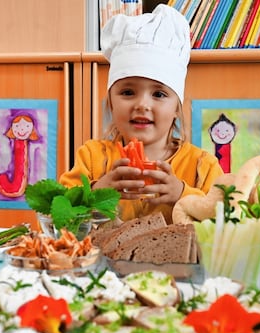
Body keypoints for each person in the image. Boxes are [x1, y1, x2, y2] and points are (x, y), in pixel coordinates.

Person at [59, 4, 224, 224]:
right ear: (111, 103)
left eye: (159, 94)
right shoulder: (91, 158)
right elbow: (57, 215)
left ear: (177, 107)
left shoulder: (201, 166)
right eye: (128, 92)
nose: (142, 104)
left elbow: (226, 220)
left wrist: (183, 195)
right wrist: (97, 192)